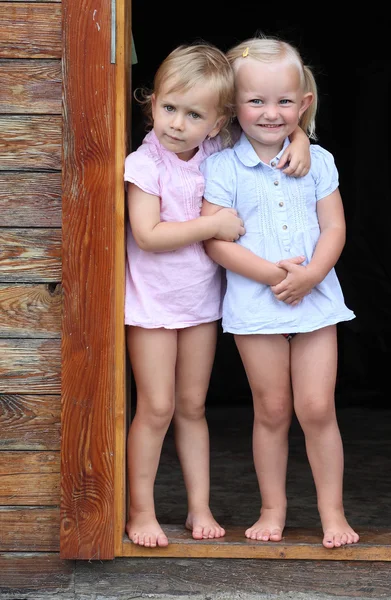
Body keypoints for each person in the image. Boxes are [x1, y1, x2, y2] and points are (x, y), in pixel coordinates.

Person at [123, 41, 312, 548]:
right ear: (152, 101)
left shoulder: (214, 151)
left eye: (193, 114)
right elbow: (147, 234)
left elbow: (267, 128)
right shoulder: (145, 166)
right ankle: (140, 511)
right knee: (156, 407)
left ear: (216, 122)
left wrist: (301, 138)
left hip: (200, 305)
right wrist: (213, 225)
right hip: (151, 306)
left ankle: (198, 506)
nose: (176, 123)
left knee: (192, 407)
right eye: (168, 108)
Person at [201, 36, 360, 549]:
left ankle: (332, 512)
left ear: (304, 103)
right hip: (255, 303)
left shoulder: (319, 160)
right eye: (256, 101)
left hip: (315, 300)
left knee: (316, 408)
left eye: (284, 101)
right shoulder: (222, 167)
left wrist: (311, 275)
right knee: (271, 410)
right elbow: (218, 244)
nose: (271, 113)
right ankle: (273, 508)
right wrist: (275, 277)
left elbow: (334, 227)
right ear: (233, 106)